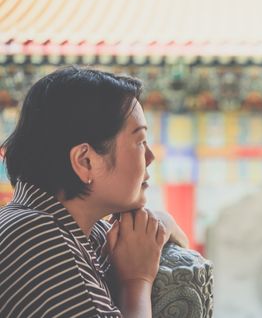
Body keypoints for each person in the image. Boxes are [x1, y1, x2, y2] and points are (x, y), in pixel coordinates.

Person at [0, 67, 188, 318]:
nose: (150, 157)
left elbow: (175, 237)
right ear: (86, 161)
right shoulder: (39, 239)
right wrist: (136, 281)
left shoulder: (78, 228)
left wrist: (159, 223)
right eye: (140, 142)